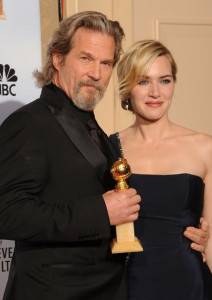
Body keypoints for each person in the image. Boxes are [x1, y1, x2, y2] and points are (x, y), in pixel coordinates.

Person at [0, 12, 209, 300]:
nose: (96, 73)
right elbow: (6, 213)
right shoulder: (30, 123)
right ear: (57, 58)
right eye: (85, 58)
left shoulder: (93, 129)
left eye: (106, 63)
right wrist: (100, 212)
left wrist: (196, 237)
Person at [110, 39, 212, 299]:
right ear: (127, 89)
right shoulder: (107, 149)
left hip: (189, 284)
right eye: (143, 81)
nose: (155, 92)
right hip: (125, 286)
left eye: (164, 80)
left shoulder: (205, 148)